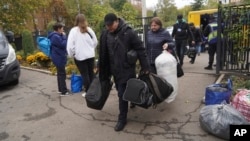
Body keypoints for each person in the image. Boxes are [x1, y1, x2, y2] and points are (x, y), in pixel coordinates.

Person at [98, 13, 150, 131]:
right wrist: (101, 66)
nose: (109, 28)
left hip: (127, 68)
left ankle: (122, 119)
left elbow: (140, 49)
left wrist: (145, 67)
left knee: (121, 94)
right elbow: (102, 52)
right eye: (107, 26)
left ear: (117, 21)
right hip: (114, 70)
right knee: (123, 90)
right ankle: (131, 100)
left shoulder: (128, 32)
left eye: (111, 26)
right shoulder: (106, 34)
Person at [67, 14, 98, 96]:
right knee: (91, 73)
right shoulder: (89, 30)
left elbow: (70, 46)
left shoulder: (74, 31)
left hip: (80, 57)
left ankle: (88, 92)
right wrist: (91, 49)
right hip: (90, 55)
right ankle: (94, 90)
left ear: (76, 21)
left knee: (85, 75)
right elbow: (95, 42)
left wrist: (72, 54)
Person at [48, 23, 69, 96]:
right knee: (62, 74)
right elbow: (63, 44)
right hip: (59, 57)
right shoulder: (55, 37)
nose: (63, 30)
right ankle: (64, 91)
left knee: (60, 74)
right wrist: (64, 36)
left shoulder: (55, 36)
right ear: (58, 29)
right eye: (62, 28)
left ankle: (61, 89)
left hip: (57, 56)